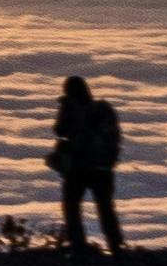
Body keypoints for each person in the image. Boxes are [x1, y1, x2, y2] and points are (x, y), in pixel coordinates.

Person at [48, 75, 127, 253]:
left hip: (78, 168)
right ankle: (116, 248)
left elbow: (59, 130)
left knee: (72, 207)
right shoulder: (103, 109)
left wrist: (66, 107)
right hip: (104, 169)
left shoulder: (71, 107)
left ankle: (78, 248)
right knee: (106, 208)